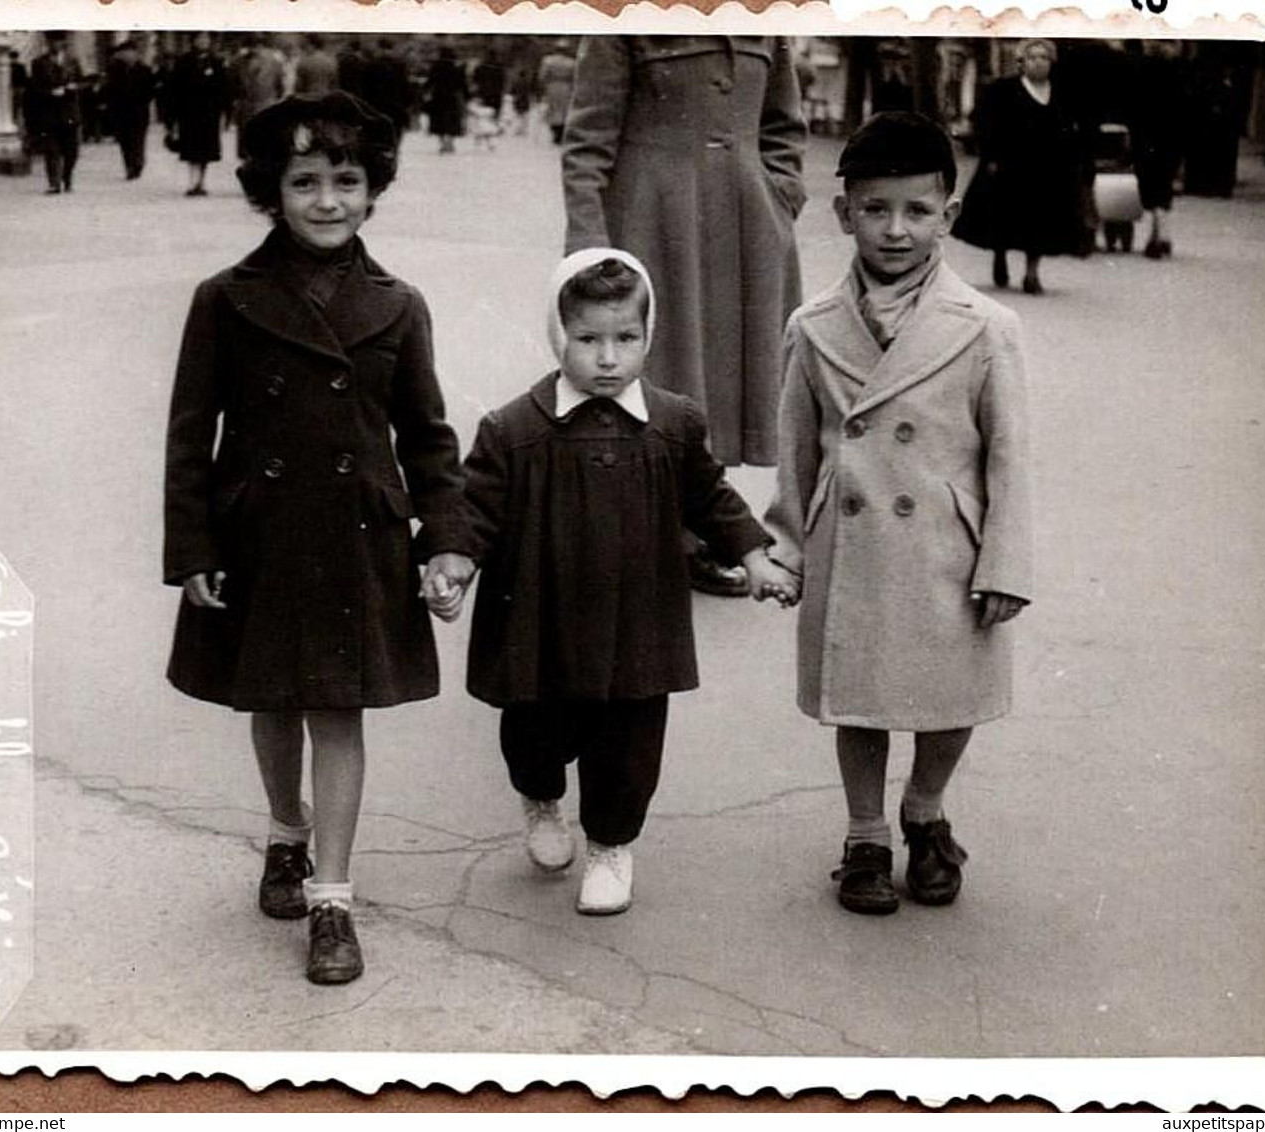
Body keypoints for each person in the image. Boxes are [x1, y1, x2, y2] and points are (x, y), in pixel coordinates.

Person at [163, 92, 470, 984]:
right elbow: (190, 436)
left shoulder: (399, 305)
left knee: (338, 708)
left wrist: (446, 538)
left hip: (358, 539)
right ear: (271, 190)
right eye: (306, 182)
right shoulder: (224, 299)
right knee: (272, 701)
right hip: (256, 533)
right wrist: (192, 550)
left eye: (347, 180)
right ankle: (284, 835)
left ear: (374, 190)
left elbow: (429, 437)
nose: (328, 200)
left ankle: (332, 899)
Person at [440, 249, 795, 916]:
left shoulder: (673, 423)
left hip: (637, 619)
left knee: (628, 744)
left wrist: (752, 556)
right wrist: (454, 560)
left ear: (647, 337)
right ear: (558, 335)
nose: (608, 359)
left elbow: (710, 499)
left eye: (625, 339)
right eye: (588, 340)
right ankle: (540, 797)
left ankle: (610, 845)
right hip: (540, 616)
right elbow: (475, 508)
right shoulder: (514, 429)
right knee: (533, 729)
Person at [763, 112, 1033, 916]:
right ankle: (866, 834)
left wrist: (1007, 564)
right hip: (852, 546)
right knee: (862, 698)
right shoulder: (812, 327)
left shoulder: (989, 328)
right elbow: (794, 452)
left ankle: (925, 813)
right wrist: (785, 552)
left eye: (917, 211)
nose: (896, 229)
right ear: (843, 213)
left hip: (948, 551)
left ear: (948, 216)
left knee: (948, 699)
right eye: (875, 209)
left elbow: (1011, 457)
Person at [561, 36, 806, 595]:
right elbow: (587, 144)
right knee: (652, 374)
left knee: (721, 378)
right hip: (651, 222)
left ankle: (695, 527)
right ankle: (653, 532)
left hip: (747, 225)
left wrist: (780, 196)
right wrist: (590, 246)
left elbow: (783, 126)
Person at [952, 38, 1087, 294]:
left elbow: (1070, 130)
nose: (1039, 63)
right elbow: (985, 122)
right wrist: (991, 156)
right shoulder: (1004, 90)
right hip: (1010, 166)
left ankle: (1031, 273)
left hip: (1046, 170)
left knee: (1039, 222)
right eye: (1033, 57)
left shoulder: (1060, 94)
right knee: (1006, 217)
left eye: (1044, 58)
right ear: (1022, 62)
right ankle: (999, 255)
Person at [1128, 40, 1188, 259]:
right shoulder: (1180, 70)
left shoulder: (1140, 68)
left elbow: (1132, 104)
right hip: (1172, 136)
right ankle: (1160, 234)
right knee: (1164, 183)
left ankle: (1159, 234)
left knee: (1149, 184)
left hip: (1146, 136)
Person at [170, 32, 229, 196]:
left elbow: (224, 89)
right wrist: (173, 115)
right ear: (193, 41)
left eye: (207, 39)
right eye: (200, 39)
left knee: (206, 150)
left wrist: (224, 112)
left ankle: (201, 181)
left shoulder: (216, 62)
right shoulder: (184, 62)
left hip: (210, 113)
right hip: (189, 112)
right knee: (191, 149)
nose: (204, 42)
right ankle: (192, 182)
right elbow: (175, 89)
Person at [30, 32, 82, 193]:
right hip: (49, 113)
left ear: (63, 43)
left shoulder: (73, 61)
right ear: (47, 43)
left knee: (71, 151)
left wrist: (74, 87)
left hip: (70, 112)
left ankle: (67, 177)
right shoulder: (38, 63)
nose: (55, 45)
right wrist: (50, 93)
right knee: (51, 149)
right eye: (52, 41)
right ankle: (54, 183)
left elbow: (81, 81)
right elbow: (34, 89)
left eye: (58, 41)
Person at [231, 33, 287, 159]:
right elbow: (280, 88)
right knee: (255, 149)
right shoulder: (239, 62)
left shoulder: (239, 61)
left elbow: (280, 87)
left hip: (257, 108)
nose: (256, 50)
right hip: (257, 108)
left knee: (257, 149)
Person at [104, 40, 154, 180]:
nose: (127, 55)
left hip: (139, 111)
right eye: (124, 52)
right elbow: (110, 90)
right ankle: (129, 166)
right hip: (121, 111)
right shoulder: (114, 69)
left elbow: (150, 90)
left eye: (130, 52)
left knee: (138, 139)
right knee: (125, 141)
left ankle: (138, 163)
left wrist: (143, 101)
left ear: (135, 53)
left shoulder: (144, 69)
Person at [424, 45, 467, 154]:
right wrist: (467, 96)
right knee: (452, 120)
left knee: (439, 121)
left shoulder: (436, 67)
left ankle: (443, 142)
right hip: (452, 97)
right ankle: (450, 142)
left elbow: (430, 81)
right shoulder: (456, 68)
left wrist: (425, 91)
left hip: (438, 97)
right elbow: (462, 84)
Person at [536, 40, 576, 145]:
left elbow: (542, 76)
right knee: (563, 110)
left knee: (553, 110)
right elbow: (574, 78)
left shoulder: (548, 61)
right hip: (566, 87)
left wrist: (542, 88)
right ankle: (560, 132)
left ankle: (555, 131)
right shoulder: (571, 62)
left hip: (552, 87)